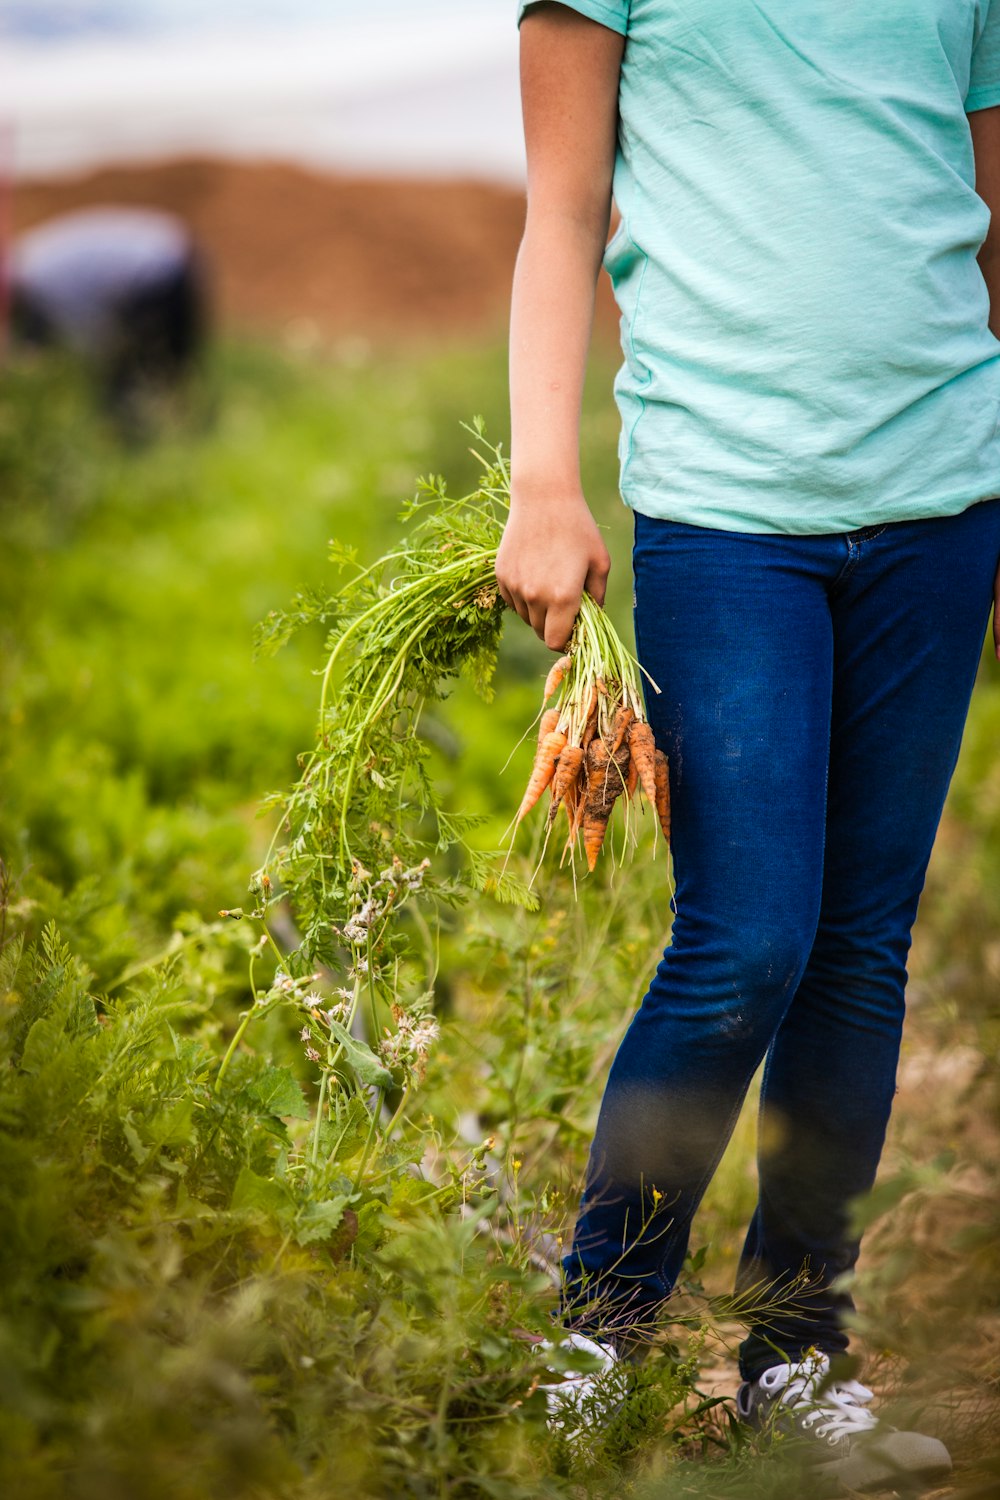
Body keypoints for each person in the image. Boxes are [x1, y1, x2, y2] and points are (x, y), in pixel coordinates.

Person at [496, 0, 1000, 1487]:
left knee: (859, 947)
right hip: (727, 509)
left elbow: (979, 217)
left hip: (943, 501)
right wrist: (544, 478)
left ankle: (796, 1355)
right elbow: (563, 212)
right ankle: (600, 1330)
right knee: (745, 943)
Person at [8, 207, 208, 434]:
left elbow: (86, 331)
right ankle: (179, 430)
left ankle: (146, 437)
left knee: (140, 376)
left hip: (156, 272)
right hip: (168, 254)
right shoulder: (33, 257)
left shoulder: (40, 282)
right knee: (168, 370)